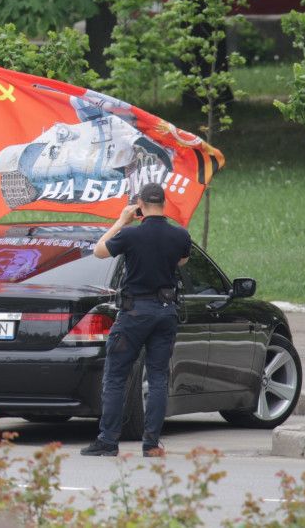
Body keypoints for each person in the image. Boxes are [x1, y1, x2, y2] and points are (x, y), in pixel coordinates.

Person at [81, 182, 191, 458]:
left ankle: (108, 441)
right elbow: (181, 262)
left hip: (134, 313)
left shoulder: (130, 235)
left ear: (140, 204)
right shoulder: (180, 235)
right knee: (157, 378)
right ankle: (152, 444)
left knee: (116, 376)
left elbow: (99, 250)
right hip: (165, 312)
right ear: (164, 204)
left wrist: (121, 220)